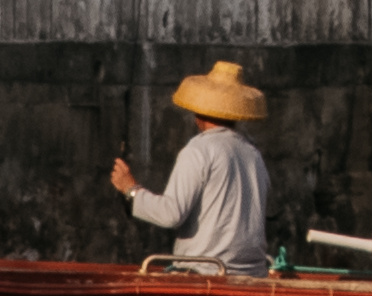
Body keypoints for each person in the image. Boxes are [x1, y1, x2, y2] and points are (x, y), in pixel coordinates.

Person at [112, 61, 278, 274]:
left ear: (198, 113)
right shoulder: (253, 154)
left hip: (206, 273)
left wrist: (131, 190)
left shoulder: (199, 149)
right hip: (252, 274)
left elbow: (171, 214)